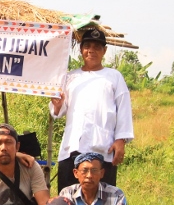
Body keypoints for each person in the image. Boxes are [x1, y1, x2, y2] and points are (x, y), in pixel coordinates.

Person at [50, 28, 134, 193]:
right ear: (81, 50)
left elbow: (124, 109)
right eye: (87, 46)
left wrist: (121, 140)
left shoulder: (113, 76)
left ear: (104, 51)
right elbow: (58, 111)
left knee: (103, 198)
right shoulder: (70, 77)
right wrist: (58, 104)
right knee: (69, 198)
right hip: (72, 146)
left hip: (103, 146)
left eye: (97, 47)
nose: (91, 51)